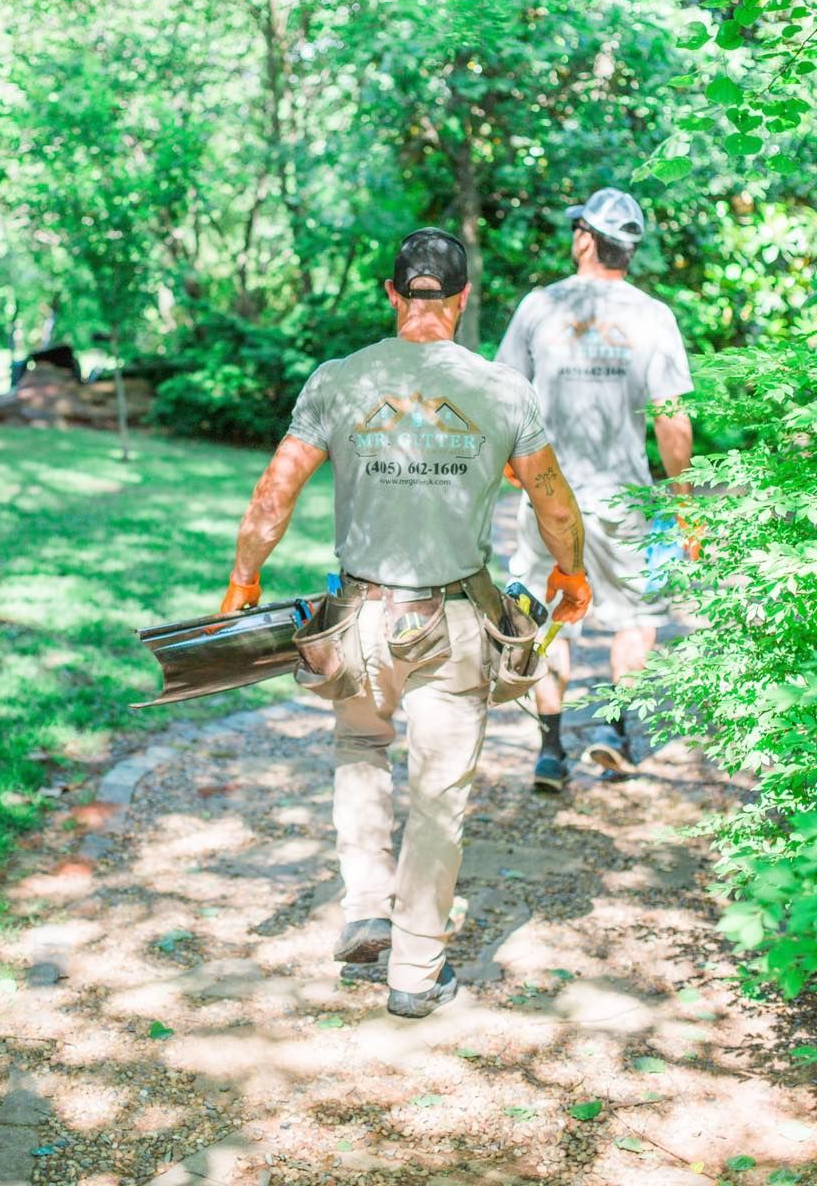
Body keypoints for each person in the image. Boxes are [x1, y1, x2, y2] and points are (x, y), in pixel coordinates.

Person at [215, 228, 591, 1019]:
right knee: (439, 796)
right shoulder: (501, 390)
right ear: (460, 301)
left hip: (359, 617)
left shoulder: (339, 380)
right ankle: (415, 973)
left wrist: (244, 577)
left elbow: (273, 495)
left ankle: (363, 906)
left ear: (392, 295)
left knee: (358, 745)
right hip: (455, 620)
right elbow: (554, 503)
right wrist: (572, 572)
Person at [496, 188, 695, 792]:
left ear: (585, 238)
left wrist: (514, 469)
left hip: (549, 494)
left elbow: (503, 394)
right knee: (634, 617)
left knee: (548, 612)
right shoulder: (652, 316)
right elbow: (672, 419)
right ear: (629, 249)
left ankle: (551, 751)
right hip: (624, 497)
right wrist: (683, 504)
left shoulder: (538, 306)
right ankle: (612, 732)